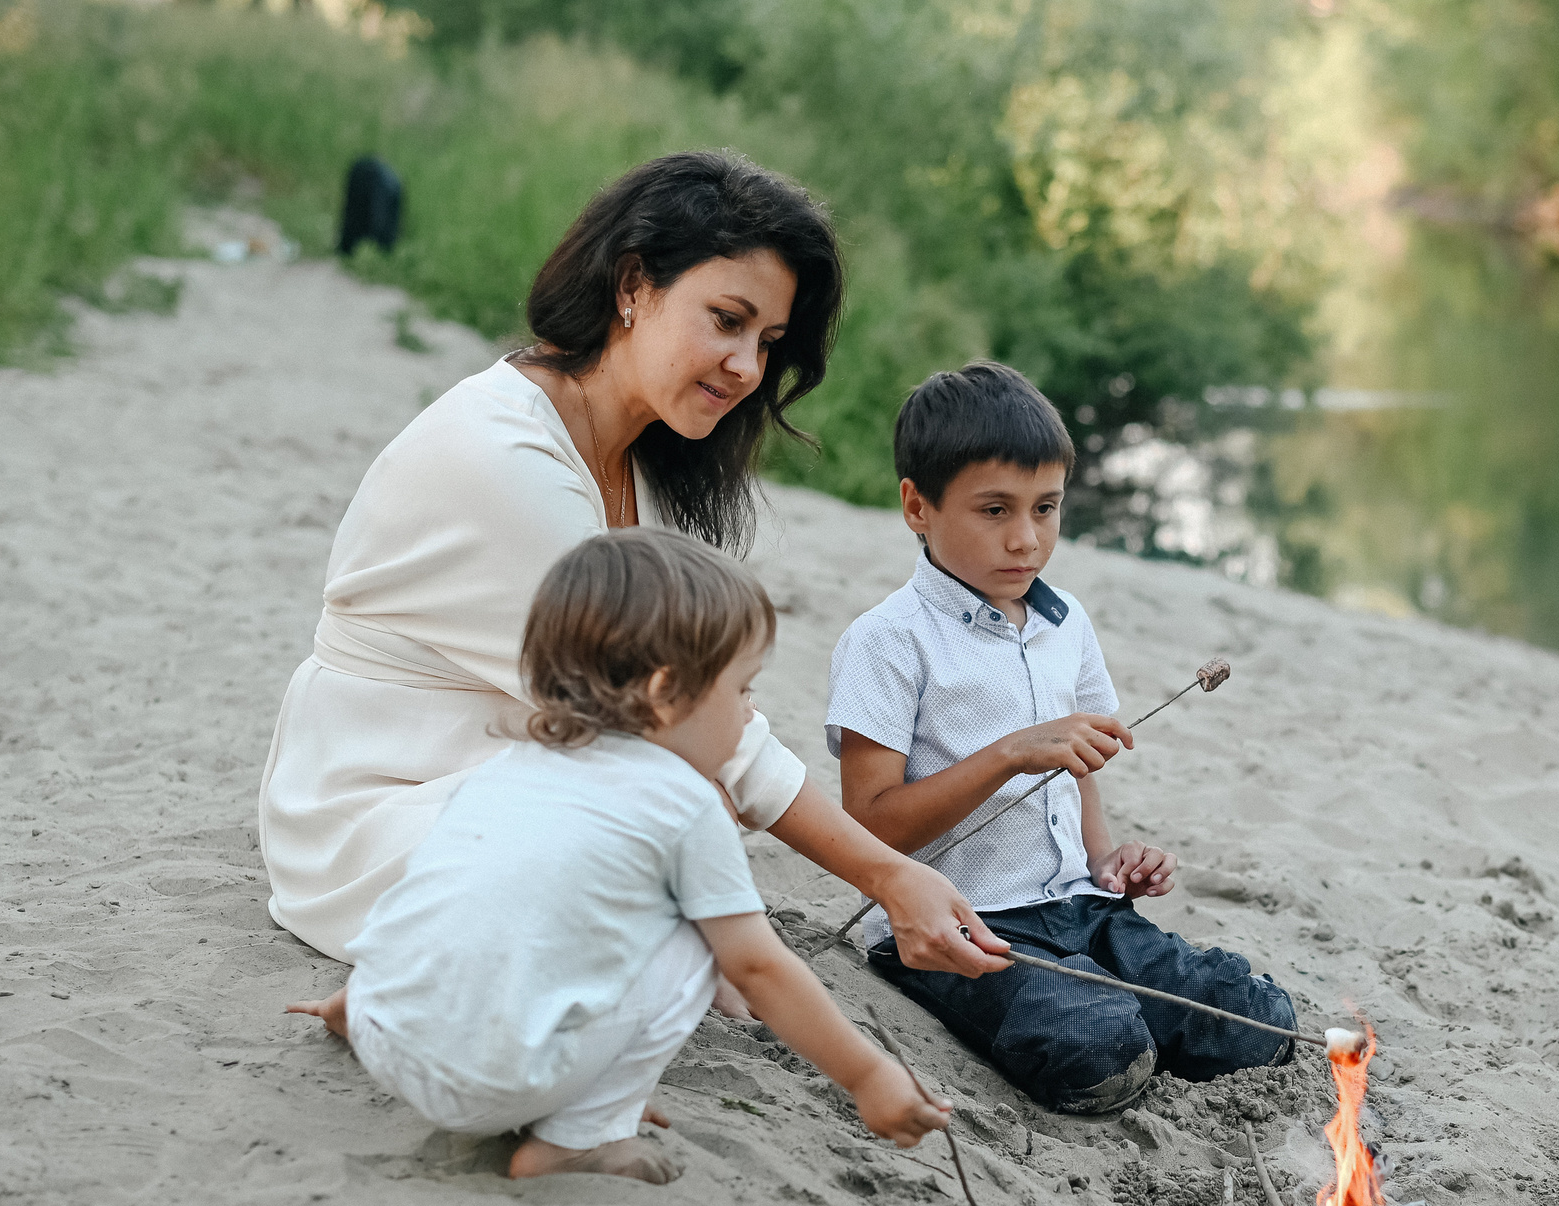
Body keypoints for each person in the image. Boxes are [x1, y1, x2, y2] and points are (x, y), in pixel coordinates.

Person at [258, 150, 1006, 983]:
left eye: (767, 342)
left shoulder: (640, 456)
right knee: (673, 810)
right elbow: (685, 714)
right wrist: (889, 875)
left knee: (682, 808)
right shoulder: (506, 458)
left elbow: (695, 710)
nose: (748, 368)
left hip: (509, 774)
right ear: (633, 286)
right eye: (726, 320)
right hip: (382, 814)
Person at [288, 529, 949, 1184]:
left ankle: (356, 1008)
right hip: (493, 1087)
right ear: (663, 693)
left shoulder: (514, 766)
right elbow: (757, 968)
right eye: (743, 689)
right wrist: (868, 1076)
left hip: (387, 1037)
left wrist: (362, 1003)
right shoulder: (686, 804)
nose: (751, 714)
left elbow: (438, 900)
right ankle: (579, 1138)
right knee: (699, 939)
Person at [823, 361, 1294, 1114]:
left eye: (1046, 508)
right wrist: (1009, 752)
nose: (1026, 539)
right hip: (958, 925)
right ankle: (1108, 1017)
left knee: (1256, 1017)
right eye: (994, 510)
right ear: (917, 506)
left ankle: (1121, 1003)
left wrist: (1104, 861)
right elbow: (871, 828)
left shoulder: (1064, 621)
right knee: (1096, 1044)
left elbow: (1078, 768)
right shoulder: (887, 641)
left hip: (1079, 908)